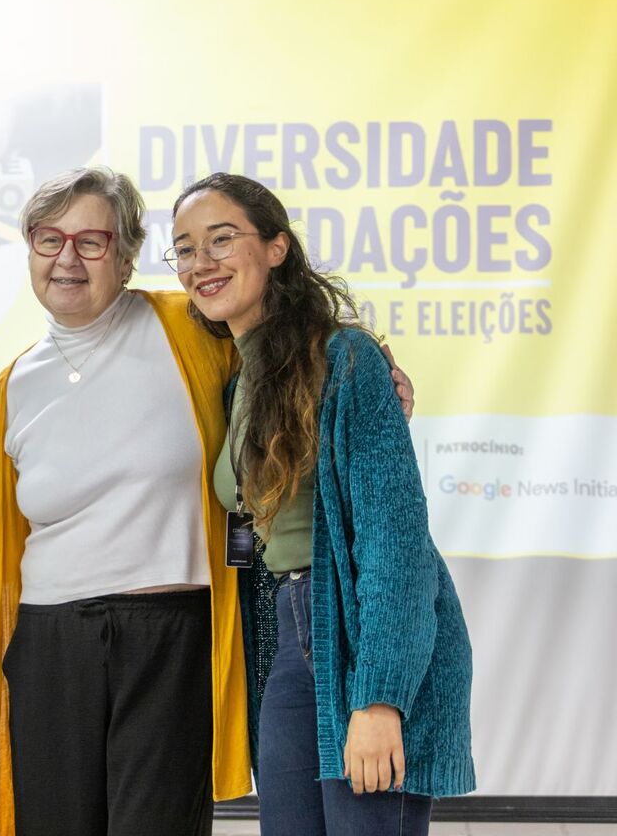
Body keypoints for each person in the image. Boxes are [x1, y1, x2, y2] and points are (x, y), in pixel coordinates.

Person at [0, 167, 414, 836]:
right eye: (48, 238)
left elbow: (291, 347)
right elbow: (9, 533)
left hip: (171, 630)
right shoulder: (11, 386)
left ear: (126, 257)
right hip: (50, 639)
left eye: (92, 240)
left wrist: (374, 362)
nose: (67, 257)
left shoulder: (190, 326)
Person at [169, 172, 474, 835]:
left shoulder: (345, 357)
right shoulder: (238, 380)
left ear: (277, 247)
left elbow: (395, 538)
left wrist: (380, 697)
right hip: (286, 633)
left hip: (356, 631)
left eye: (222, 239)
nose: (202, 262)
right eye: (185, 248)